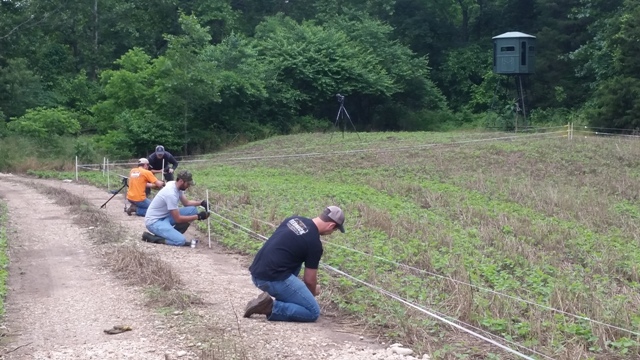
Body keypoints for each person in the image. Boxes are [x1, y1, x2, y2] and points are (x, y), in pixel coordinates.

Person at [243, 206, 345, 322]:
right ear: (331, 226)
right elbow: (310, 280)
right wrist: (310, 295)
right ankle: (270, 307)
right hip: (272, 278)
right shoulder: (314, 243)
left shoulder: (293, 219)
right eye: (334, 230)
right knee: (312, 312)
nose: (331, 233)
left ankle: (284, 299)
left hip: (257, 272)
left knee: (296, 256)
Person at [143, 170, 210, 247]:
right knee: (180, 241)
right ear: (181, 181)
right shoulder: (171, 193)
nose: (188, 186)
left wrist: (201, 203)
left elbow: (186, 203)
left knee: (192, 210)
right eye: (188, 184)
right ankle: (154, 238)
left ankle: (172, 234)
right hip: (154, 222)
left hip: (165, 216)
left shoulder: (174, 185)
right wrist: (199, 217)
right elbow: (178, 219)